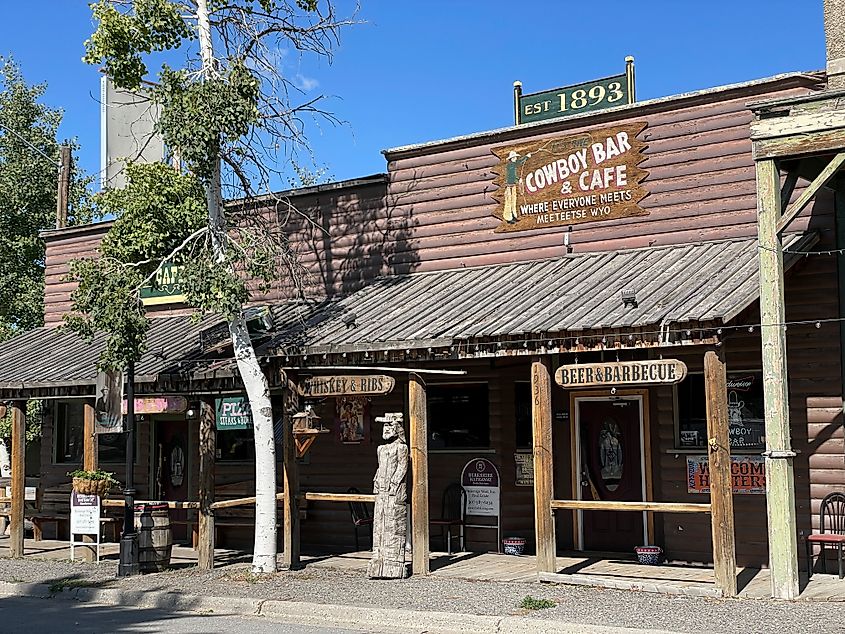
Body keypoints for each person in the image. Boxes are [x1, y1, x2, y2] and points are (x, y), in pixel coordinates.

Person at [368, 413, 409, 579]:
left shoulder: (401, 448)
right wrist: (376, 480)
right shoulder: (381, 448)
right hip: (381, 492)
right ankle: (378, 558)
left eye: (389, 426)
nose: (385, 430)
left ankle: (393, 562)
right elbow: (379, 468)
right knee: (379, 523)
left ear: (397, 429)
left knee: (393, 523)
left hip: (394, 492)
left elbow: (402, 468)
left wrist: (394, 484)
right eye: (384, 426)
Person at [503, 150, 531, 224]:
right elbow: (512, 175)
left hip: (513, 185)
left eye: (515, 157)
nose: (515, 158)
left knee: (513, 201)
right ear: (511, 159)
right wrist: (526, 157)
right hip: (509, 186)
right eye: (514, 157)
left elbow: (518, 164)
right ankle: (508, 218)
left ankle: (513, 216)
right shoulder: (511, 165)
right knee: (509, 202)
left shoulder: (513, 165)